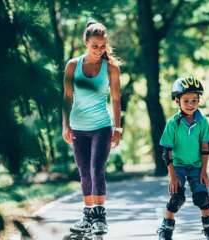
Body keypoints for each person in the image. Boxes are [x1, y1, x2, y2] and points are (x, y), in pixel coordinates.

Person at [62, 20, 122, 237]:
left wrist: (118, 127)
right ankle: (88, 216)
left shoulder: (111, 67)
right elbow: (67, 98)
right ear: (86, 43)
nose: (99, 50)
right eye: (95, 46)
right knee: (84, 172)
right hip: (78, 127)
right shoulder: (72, 66)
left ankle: (100, 216)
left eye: (102, 46)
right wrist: (65, 125)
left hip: (101, 126)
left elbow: (116, 99)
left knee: (97, 168)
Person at [156, 77, 209, 240]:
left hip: (196, 166)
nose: (191, 104)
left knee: (203, 197)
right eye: (186, 100)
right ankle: (166, 230)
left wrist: (204, 172)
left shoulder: (203, 122)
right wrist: (172, 175)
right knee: (176, 197)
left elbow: (205, 148)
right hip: (177, 165)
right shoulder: (173, 123)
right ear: (177, 100)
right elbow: (167, 151)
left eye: (195, 100)